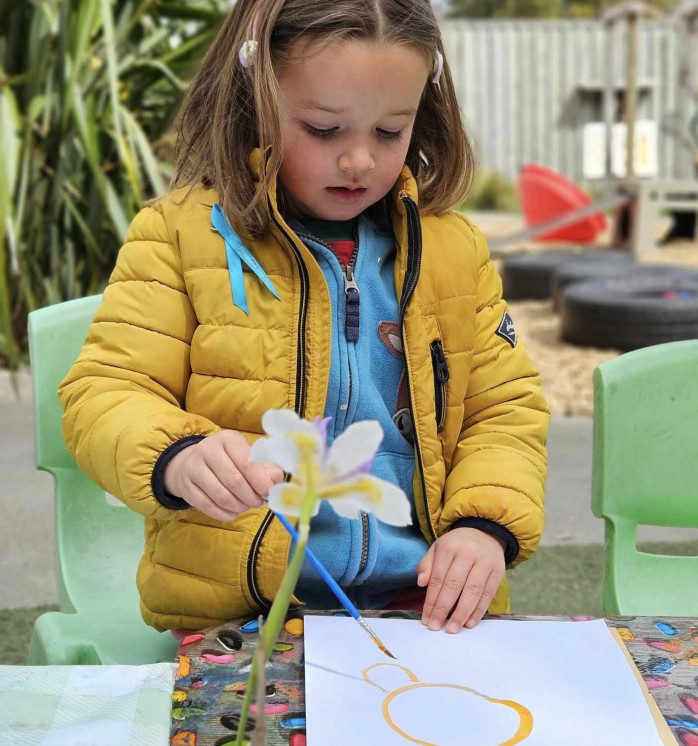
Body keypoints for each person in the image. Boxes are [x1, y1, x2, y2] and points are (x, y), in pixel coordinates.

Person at [59, 0, 550, 636]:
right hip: (242, 613)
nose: (359, 162)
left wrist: (485, 526)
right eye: (324, 130)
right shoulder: (179, 235)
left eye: (390, 131)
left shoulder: (454, 251)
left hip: (422, 606)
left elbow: (503, 410)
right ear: (253, 98)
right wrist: (176, 457)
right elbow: (104, 391)